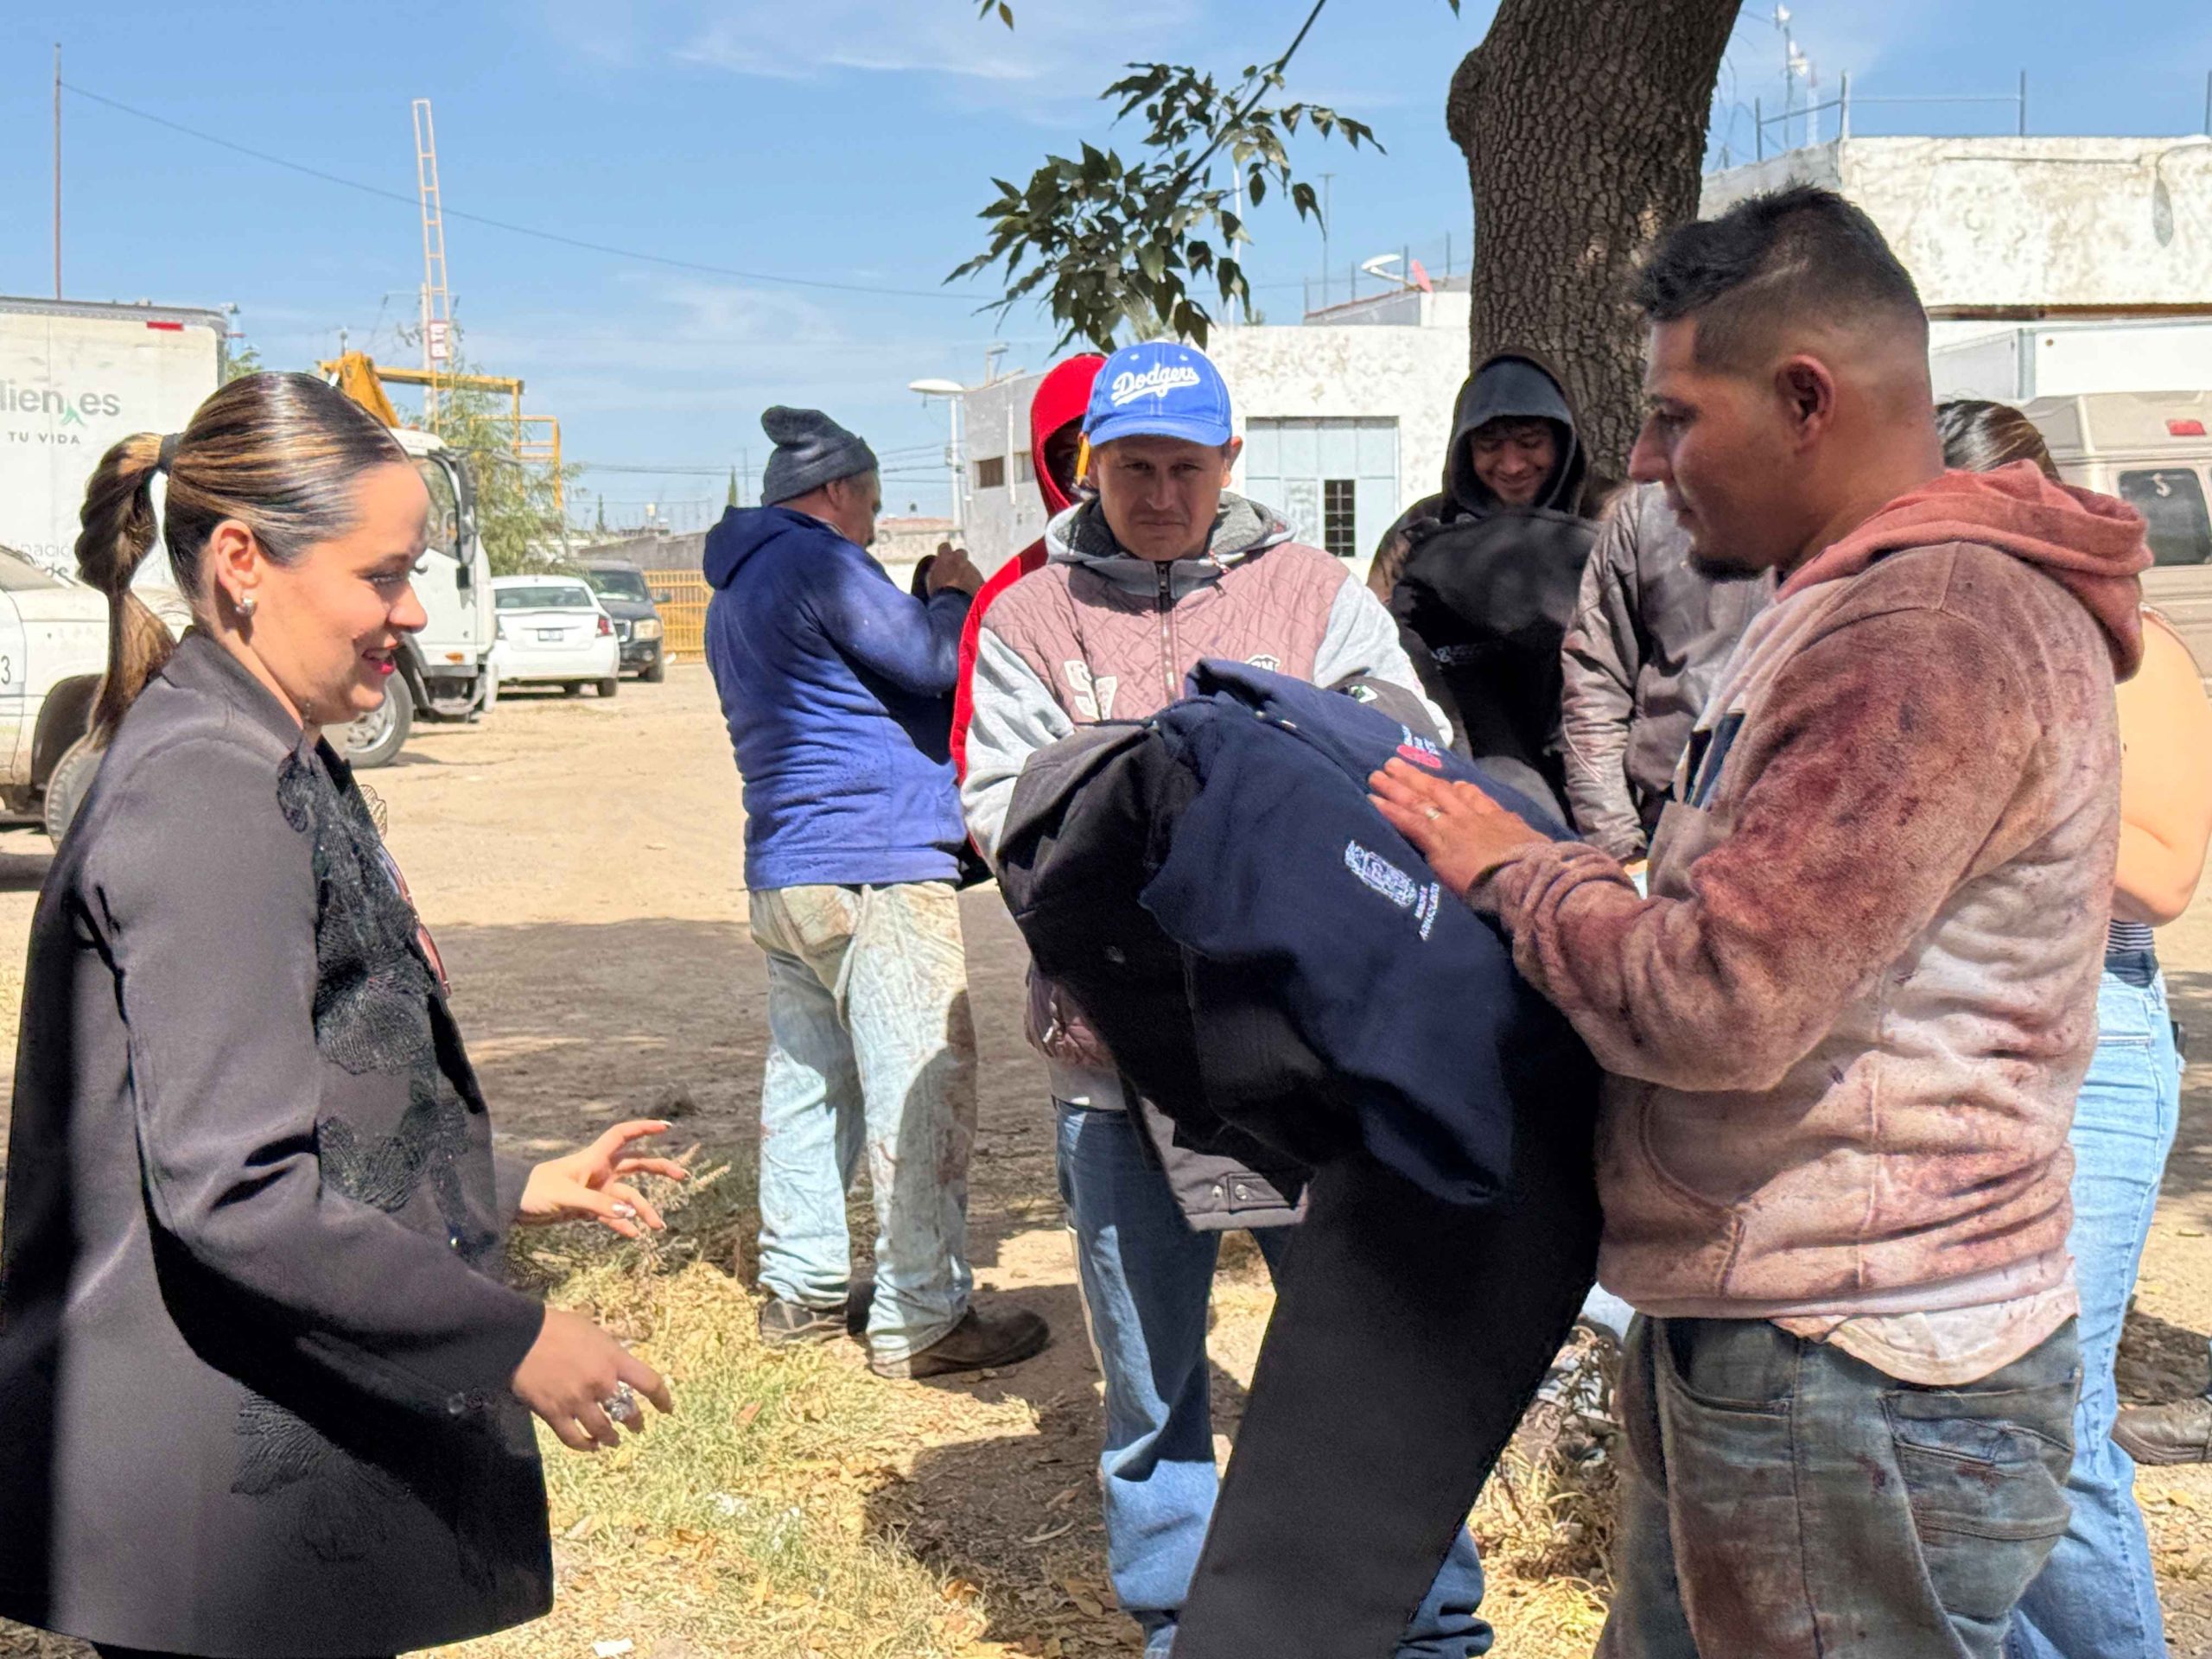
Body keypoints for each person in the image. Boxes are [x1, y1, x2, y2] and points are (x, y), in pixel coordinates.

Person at [1373, 186, 2151, 1657]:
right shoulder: (1846, 604)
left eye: (1677, 419)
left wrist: (1514, 870)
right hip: (1799, 1328)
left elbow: (1725, 995)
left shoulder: (1922, 638)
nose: (1651, 466)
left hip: (1853, 1357)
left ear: (1805, 397)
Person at [0, 372, 688, 1659]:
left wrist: (505, 1184)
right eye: (384, 575)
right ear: (247, 562)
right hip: (211, 1518)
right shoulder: (207, 785)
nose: (414, 613)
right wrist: (512, 1339)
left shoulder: (258, 742)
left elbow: (300, 1091)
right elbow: (239, 1192)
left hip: (247, 1478)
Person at [963, 341, 1489, 1657]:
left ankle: (1426, 1619)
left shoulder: (1317, 598)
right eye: (1131, 467)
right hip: (1115, 1062)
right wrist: (1157, 787)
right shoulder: (1029, 614)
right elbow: (994, 809)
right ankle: (1178, 1619)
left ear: (1230, 465)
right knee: (1152, 1380)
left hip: (1315, 1062)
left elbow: (1413, 762)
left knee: (1373, 1347)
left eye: (1184, 467)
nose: (1157, 493)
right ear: (1091, 466)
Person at [1929, 400, 2212, 1659]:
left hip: (2091, 1034)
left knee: (2048, 1407)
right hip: (1945, 1036)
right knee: (1950, 1408)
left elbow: (2159, 874)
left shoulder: (2137, 653)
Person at [702, 404, 1049, 1381]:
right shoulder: (817, 561)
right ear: (838, 492)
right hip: (875, 861)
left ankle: (802, 1290)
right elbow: (939, 662)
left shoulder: (738, 587)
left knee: (814, 1084)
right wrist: (950, 594)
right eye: (872, 502)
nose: (871, 519)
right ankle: (923, 1316)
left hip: (787, 867)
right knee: (920, 1084)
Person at [1367, 351, 1614, 810]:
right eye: (1489, 445)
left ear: (1563, 441)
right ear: (1464, 447)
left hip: (1593, 742)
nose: (1513, 464)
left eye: (1530, 441)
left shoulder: (1612, 515)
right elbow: (1379, 646)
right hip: (1468, 755)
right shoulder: (1420, 529)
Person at [1557, 481, 1773, 864]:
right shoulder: (1648, 513)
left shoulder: (1867, 511)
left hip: (1805, 834)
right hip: (1666, 826)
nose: (1640, 460)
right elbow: (1595, 680)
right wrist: (1620, 846)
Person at [950, 352, 1105, 780]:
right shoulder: (1007, 593)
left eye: (1102, 454)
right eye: (1068, 456)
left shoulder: (1199, 571)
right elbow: (975, 755)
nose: (1086, 477)